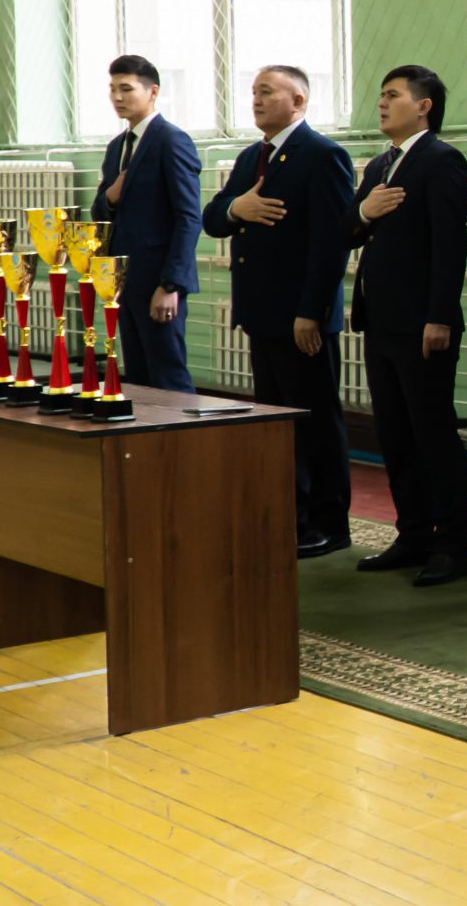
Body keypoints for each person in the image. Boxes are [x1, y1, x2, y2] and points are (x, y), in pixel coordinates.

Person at [202, 66, 356, 560]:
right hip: (261, 313)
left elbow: (331, 243)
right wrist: (237, 209)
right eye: (253, 92)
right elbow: (213, 218)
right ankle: (291, 515)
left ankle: (329, 523)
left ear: (299, 100)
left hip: (300, 318)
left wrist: (312, 310)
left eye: (266, 92)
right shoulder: (253, 157)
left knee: (314, 422)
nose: (256, 99)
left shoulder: (323, 155)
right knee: (275, 422)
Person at [348, 65, 467, 588]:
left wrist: (439, 316)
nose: (381, 103)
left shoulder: (442, 160)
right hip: (380, 321)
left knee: (432, 435)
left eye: (393, 95)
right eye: (381, 95)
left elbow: (450, 244)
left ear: (424, 106)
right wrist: (364, 210)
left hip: (423, 324)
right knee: (395, 435)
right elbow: (347, 230)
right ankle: (414, 534)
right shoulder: (382, 164)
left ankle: (452, 546)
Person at [89, 54, 202, 393]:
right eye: (112, 89)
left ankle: (181, 430)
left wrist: (171, 285)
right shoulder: (117, 147)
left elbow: (188, 217)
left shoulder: (171, 140)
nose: (117, 97)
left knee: (167, 375)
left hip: (158, 281)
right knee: (138, 377)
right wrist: (111, 197)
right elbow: (100, 210)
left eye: (126, 89)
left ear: (152, 92)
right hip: (125, 280)